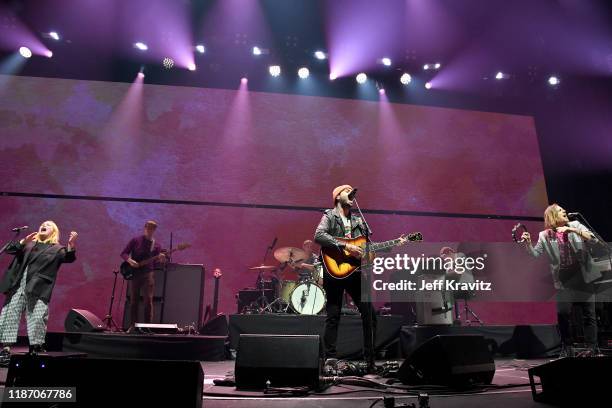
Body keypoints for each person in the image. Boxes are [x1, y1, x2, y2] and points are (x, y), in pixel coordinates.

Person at [315, 185, 405, 368]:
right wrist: (346, 247)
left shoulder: (358, 221)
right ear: (337, 196)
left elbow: (367, 247)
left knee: (369, 314)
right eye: (346, 190)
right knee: (333, 315)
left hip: (354, 272)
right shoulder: (330, 216)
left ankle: (369, 359)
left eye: (352, 191)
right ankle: (330, 358)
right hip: (334, 270)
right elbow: (319, 236)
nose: (351, 193)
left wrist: (395, 243)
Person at [521, 204, 600, 355]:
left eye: (563, 210)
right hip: (564, 279)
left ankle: (592, 348)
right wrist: (527, 243)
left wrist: (572, 230)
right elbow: (534, 254)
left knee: (589, 314)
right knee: (563, 313)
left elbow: (593, 240)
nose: (564, 211)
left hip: (583, 276)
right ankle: (567, 347)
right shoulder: (545, 235)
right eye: (560, 210)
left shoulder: (575, 224)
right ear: (552, 216)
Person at [0, 221, 78, 364]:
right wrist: (23, 241)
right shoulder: (29, 244)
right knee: (9, 315)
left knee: (37, 318)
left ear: (53, 231)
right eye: (43, 224)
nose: (44, 225)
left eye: (48, 225)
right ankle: (5, 349)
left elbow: (69, 258)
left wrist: (71, 244)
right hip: (18, 285)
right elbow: (9, 249)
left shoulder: (57, 249)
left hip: (38, 287)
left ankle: (35, 347)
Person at [120, 220, 167, 328]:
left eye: (152, 229)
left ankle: (147, 327)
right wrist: (130, 261)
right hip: (135, 274)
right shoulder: (135, 240)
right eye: (148, 228)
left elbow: (155, 264)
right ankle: (133, 326)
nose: (150, 230)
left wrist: (161, 260)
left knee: (148, 302)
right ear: (144, 228)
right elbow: (123, 253)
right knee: (133, 301)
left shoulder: (157, 246)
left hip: (148, 274)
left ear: (154, 230)